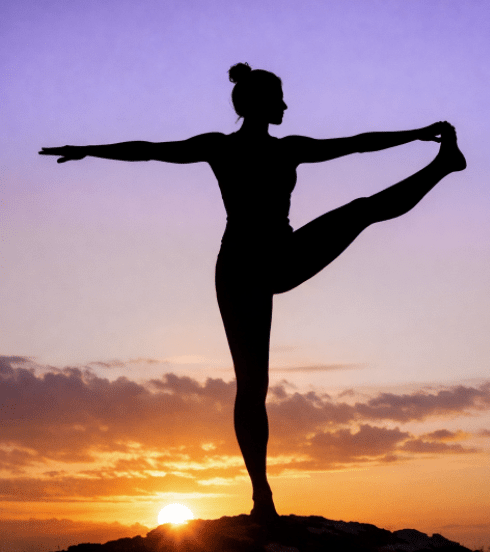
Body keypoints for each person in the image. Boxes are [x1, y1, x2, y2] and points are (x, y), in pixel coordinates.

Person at [40, 62, 466, 521]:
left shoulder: (286, 149)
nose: (286, 105)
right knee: (252, 386)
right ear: (259, 103)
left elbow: (357, 145)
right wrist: (87, 150)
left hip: (281, 256)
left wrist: (416, 134)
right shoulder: (224, 148)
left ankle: (443, 165)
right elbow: (148, 151)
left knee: (360, 210)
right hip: (242, 271)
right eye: (279, 97)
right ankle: (261, 494)